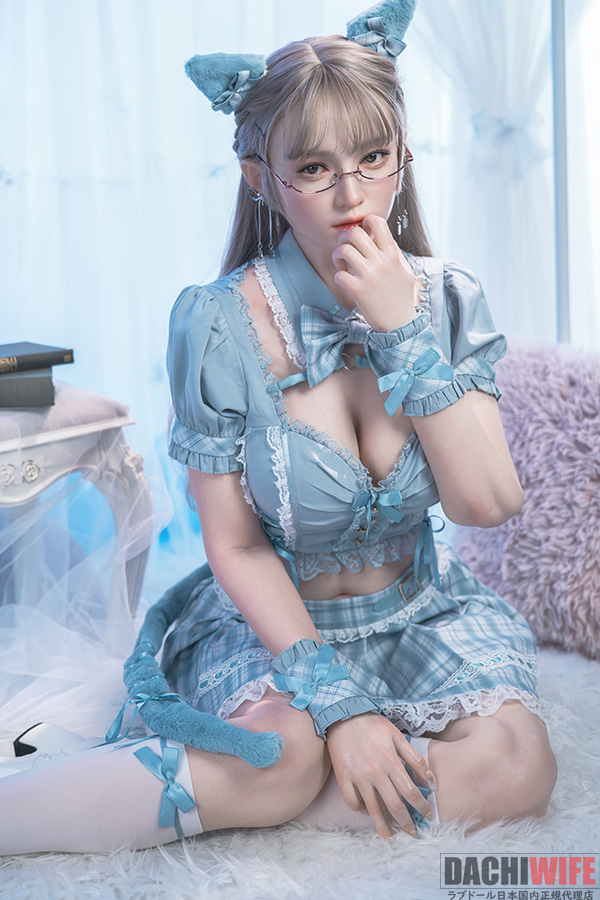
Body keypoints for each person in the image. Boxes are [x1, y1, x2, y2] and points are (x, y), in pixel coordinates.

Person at [0, 0, 557, 855]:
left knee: (517, 768)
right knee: (281, 751)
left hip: (420, 613)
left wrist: (402, 330)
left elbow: (487, 504)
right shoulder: (216, 321)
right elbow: (235, 543)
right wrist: (337, 706)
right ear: (261, 177)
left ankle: (230, 798)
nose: (352, 196)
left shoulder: (448, 298)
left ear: (403, 155)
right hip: (276, 623)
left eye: (373, 159)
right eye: (315, 168)